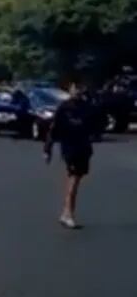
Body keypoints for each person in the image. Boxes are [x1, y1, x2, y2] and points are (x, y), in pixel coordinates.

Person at [45, 81, 94, 229]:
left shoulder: (86, 106)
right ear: (70, 90)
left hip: (83, 148)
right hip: (69, 147)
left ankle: (65, 213)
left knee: (76, 179)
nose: (78, 91)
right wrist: (48, 149)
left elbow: (95, 122)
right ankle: (69, 215)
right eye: (75, 88)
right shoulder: (64, 108)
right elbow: (53, 129)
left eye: (80, 88)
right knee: (73, 180)